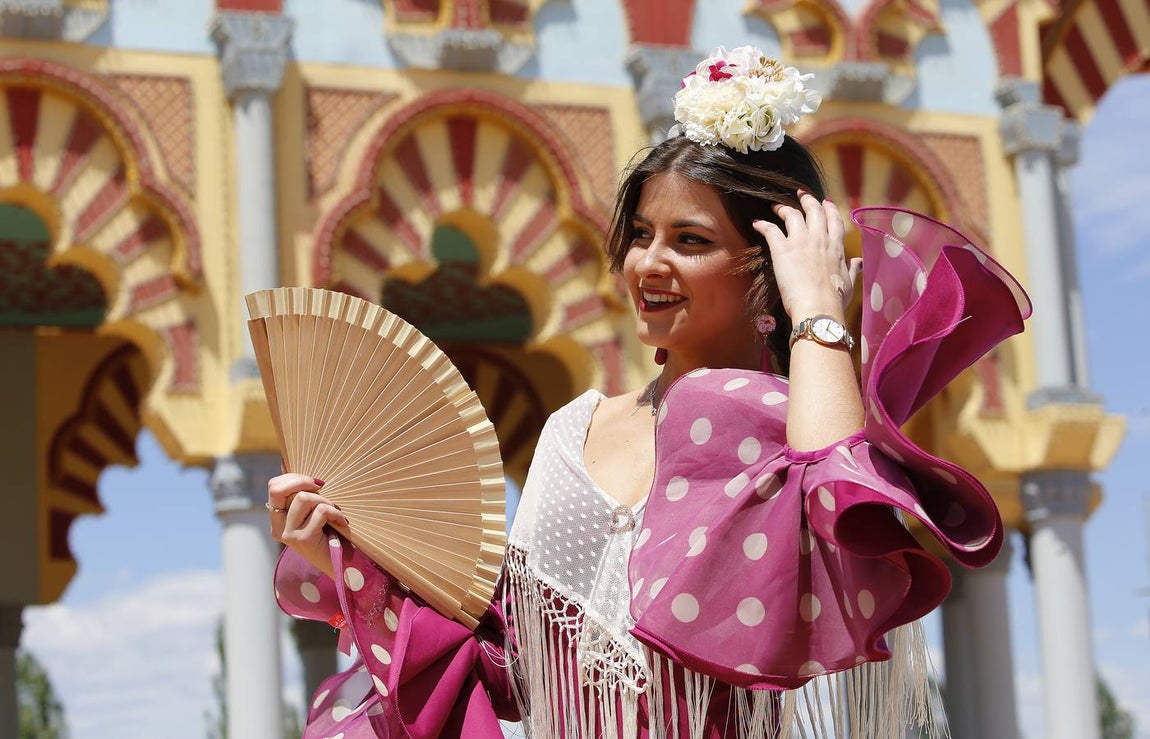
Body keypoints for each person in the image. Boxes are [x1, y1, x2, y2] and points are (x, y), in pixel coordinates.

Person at [266, 46, 1030, 738]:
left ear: (768, 262)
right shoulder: (572, 432)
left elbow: (840, 508)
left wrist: (819, 311)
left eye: (690, 240)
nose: (648, 263)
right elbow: (506, 673)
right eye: (640, 234)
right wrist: (336, 553)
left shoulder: (779, 426)